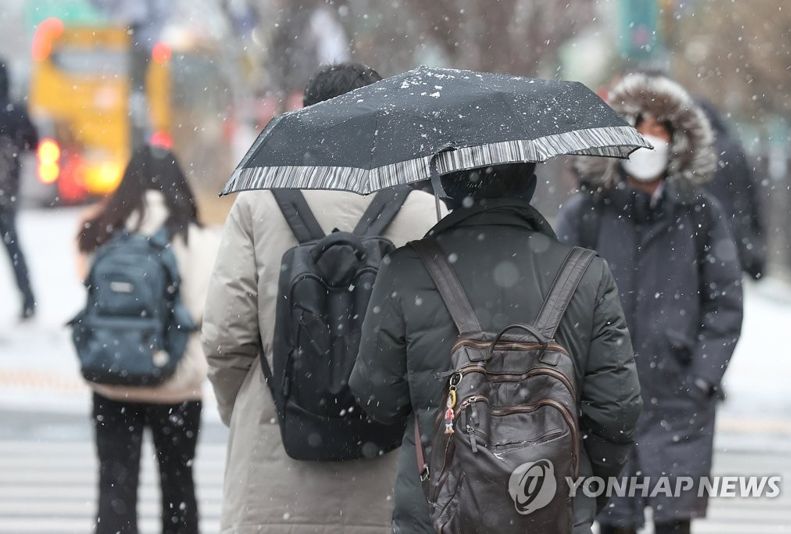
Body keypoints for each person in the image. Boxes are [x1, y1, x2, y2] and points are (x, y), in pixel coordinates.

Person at [201, 63, 443, 533]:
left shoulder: (259, 203)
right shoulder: (425, 211)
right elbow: (439, 349)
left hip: (275, 488)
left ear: (306, 118)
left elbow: (224, 338)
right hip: (389, 483)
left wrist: (258, 407)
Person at [349, 163, 643, 533]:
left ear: (445, 187)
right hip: (553, 510)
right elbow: (618, 411)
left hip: (435, 514)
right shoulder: (586, 274)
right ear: (531, 186)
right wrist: (578, 485)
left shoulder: (405, 269)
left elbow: (376, 396)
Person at [556, 73, 744, 534]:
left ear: (678, 140)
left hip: (680, 402)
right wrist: (579, 374)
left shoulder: (700, 214)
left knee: (674, 522)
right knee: (613, 522)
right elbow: (555, 299)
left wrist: (702, 377)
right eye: (639, 127)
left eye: (660, 129)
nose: (649, 140)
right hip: (604, 403)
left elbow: (725, 303)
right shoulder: (587, 213)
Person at [76, 146, 217, 534]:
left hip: (111, 378)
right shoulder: (197, 237)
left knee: (115, 487)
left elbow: (87, 285)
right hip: (176, 385)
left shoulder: (102, 230)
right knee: (178, 487)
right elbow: (206, 307)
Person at [697, 99, 767, 280]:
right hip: (731, 232)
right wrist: (755, 231)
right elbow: (750, 194)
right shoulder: (732, 147)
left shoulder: (693, 149)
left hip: (701, 231)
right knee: (728, 285)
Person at [0, 58, 38, 319]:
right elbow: (34, 143)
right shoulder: (16, 110)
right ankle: (28, 301)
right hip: (7, 190)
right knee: (14, 249)